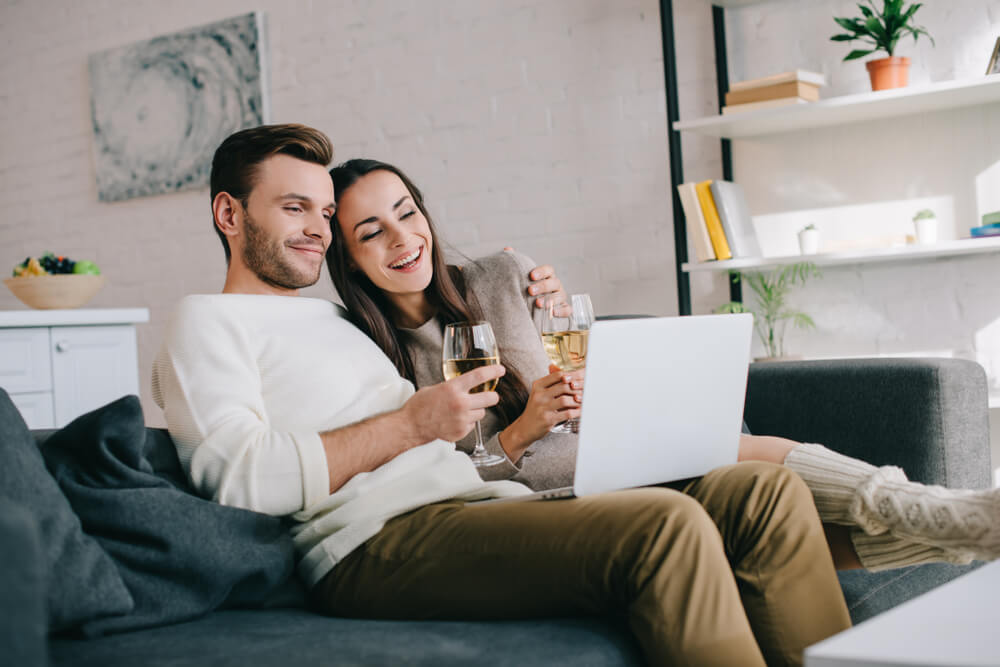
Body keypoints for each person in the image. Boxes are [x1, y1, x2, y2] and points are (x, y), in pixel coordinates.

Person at [152, 123, 852, 666]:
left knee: (764, 493)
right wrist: (410, 423)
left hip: (473, 500)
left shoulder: (335, 319)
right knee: (666, 528)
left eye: (324, 211)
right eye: (293, 207)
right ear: (229, 213)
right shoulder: (203, 322)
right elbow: (238, 479)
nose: (316, 226)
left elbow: (474, 423)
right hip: (375, 543)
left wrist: (540, 317)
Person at [327, 157, 1000, 572]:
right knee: (733, 493)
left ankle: (950, 518)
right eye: (371, 232)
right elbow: (445, 481)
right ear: (348, 259)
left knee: (719, 449)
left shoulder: (500, 275)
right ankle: (954, 525)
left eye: (406, 212)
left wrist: (577, 346)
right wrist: (521, 432)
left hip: (603, 444)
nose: (401, 238)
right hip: (528, 494)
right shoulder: (367, 360)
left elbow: (575, 356)